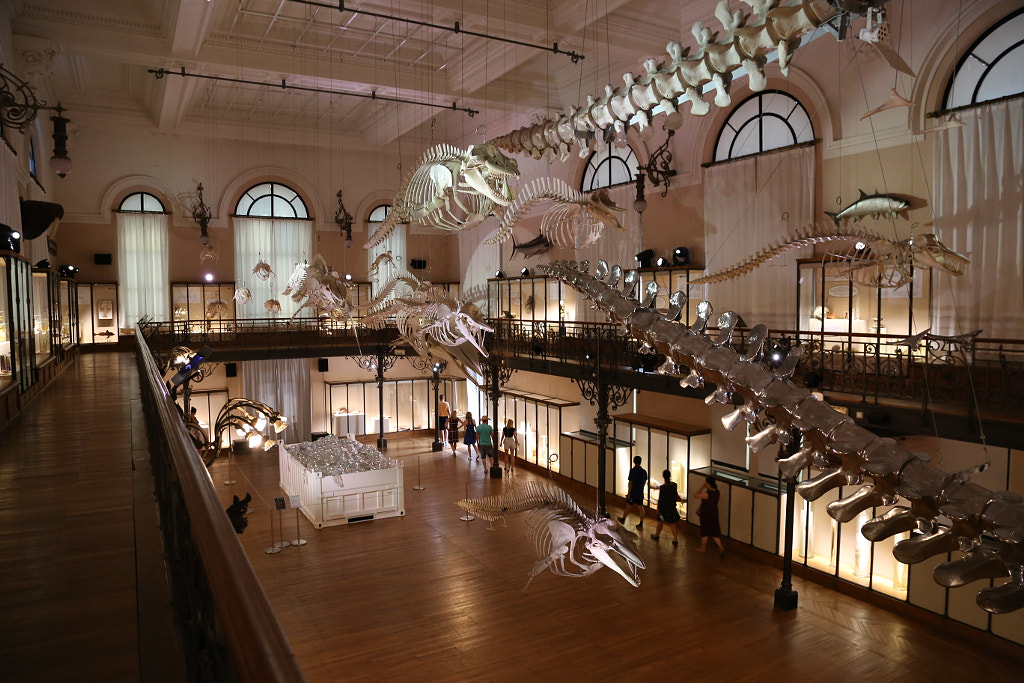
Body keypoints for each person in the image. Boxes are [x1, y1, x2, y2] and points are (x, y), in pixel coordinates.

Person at [649, 470, 683, 546]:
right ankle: (675, 539)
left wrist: (658, 509)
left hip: (664, 508)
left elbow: (661, 499)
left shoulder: (663, 487)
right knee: (672, 524)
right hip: (672, 507)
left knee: (660, 522)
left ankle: (657, 535)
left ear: (663, 477)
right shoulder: (674, 485)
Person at [695, 475, 725, 554]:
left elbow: (696, 495)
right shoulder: (717, 492)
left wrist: (702, 487)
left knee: (705, 531)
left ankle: (702, 548)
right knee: (714, 532)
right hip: (714, 514)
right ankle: (721, 547)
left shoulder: (707, 494)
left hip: (706, 514)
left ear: (708, 483)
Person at [618, 455, 648, 529]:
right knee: (641, 508)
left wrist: (629, 493)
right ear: (640, 462)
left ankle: (623, 519)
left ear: (634, 462)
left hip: (633, 493)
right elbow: (644, 482)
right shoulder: (644, 471)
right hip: (640, 492)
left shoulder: (632, 471)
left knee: (628, 505)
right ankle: (641, 523)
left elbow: (630, 483)